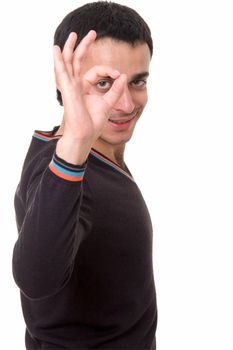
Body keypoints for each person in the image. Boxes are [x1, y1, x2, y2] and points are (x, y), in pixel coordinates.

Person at [12, 1, 157, 349]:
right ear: (64, 83)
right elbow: (36, 278)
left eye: (138, 81)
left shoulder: (95, 154)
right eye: (104, 83)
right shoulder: (64, 167)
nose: (125, 105)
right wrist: (75, 145)